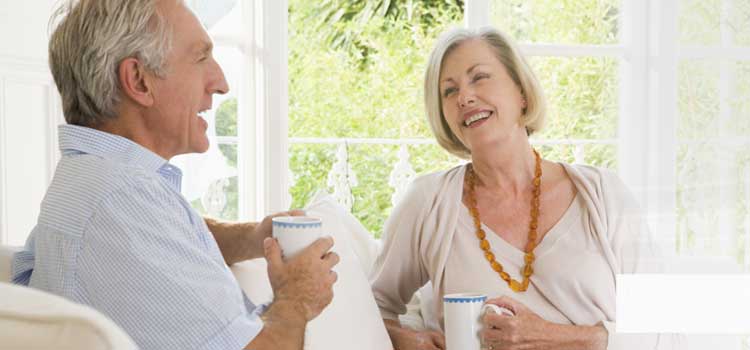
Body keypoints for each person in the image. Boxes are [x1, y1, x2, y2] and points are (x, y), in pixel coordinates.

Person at [10, 0, 339, 349]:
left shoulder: (99, 183)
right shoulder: (123, 201)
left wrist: (252, 238)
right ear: (139, 80)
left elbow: (172, 237)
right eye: (200, 58)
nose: (221, 83)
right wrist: (297, 300)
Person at [370, 26, 683, 350]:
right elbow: (368, 308)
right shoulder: (428, 202)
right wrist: (410, 338)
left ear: (521, 92)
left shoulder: (603, 194)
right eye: (449, 91)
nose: (464, 97)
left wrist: (552, 337)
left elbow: (664, 328)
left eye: (479, 77)